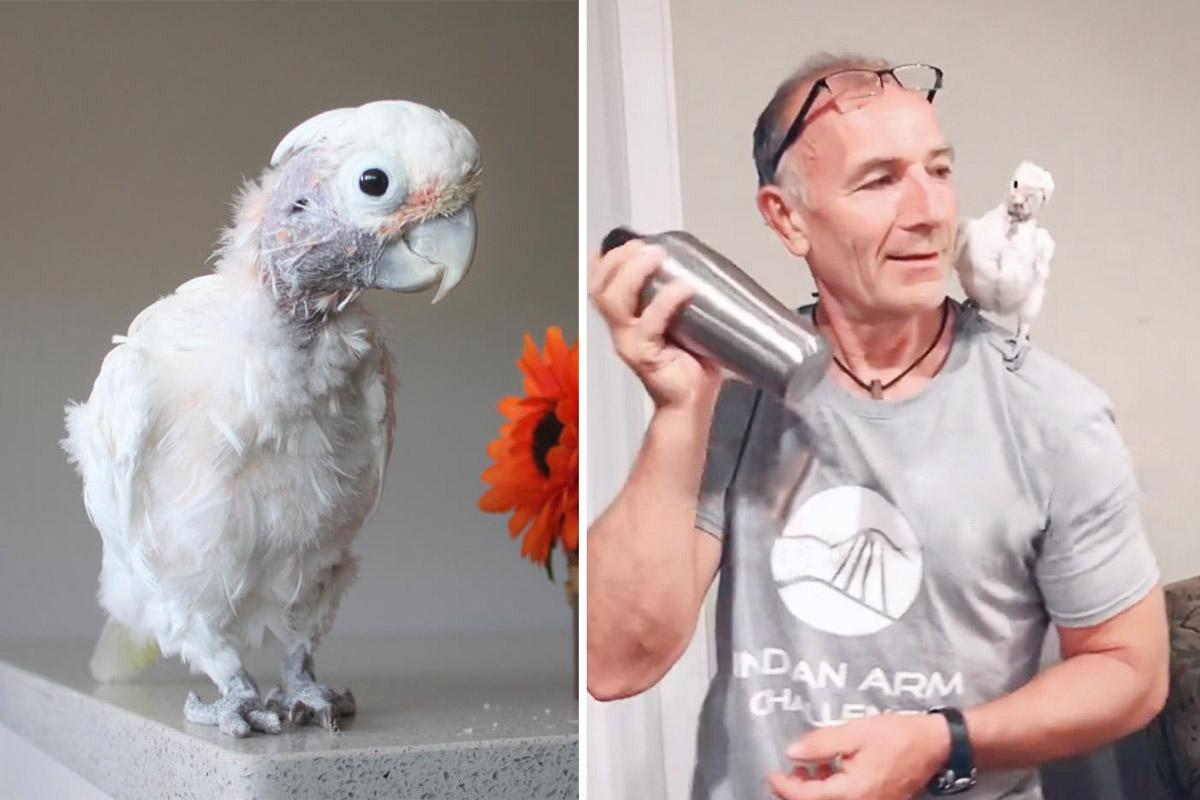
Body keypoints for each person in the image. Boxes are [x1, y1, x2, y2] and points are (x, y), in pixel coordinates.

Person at [586, 53, 1168, 800]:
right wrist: (678, 408)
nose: (928, 211)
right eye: (880, 180)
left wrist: (942, 742)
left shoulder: (1054, 416)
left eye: (940, 170)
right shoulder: (734, 397)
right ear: (786, 217)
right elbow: (615, 663)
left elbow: (1132, 670)